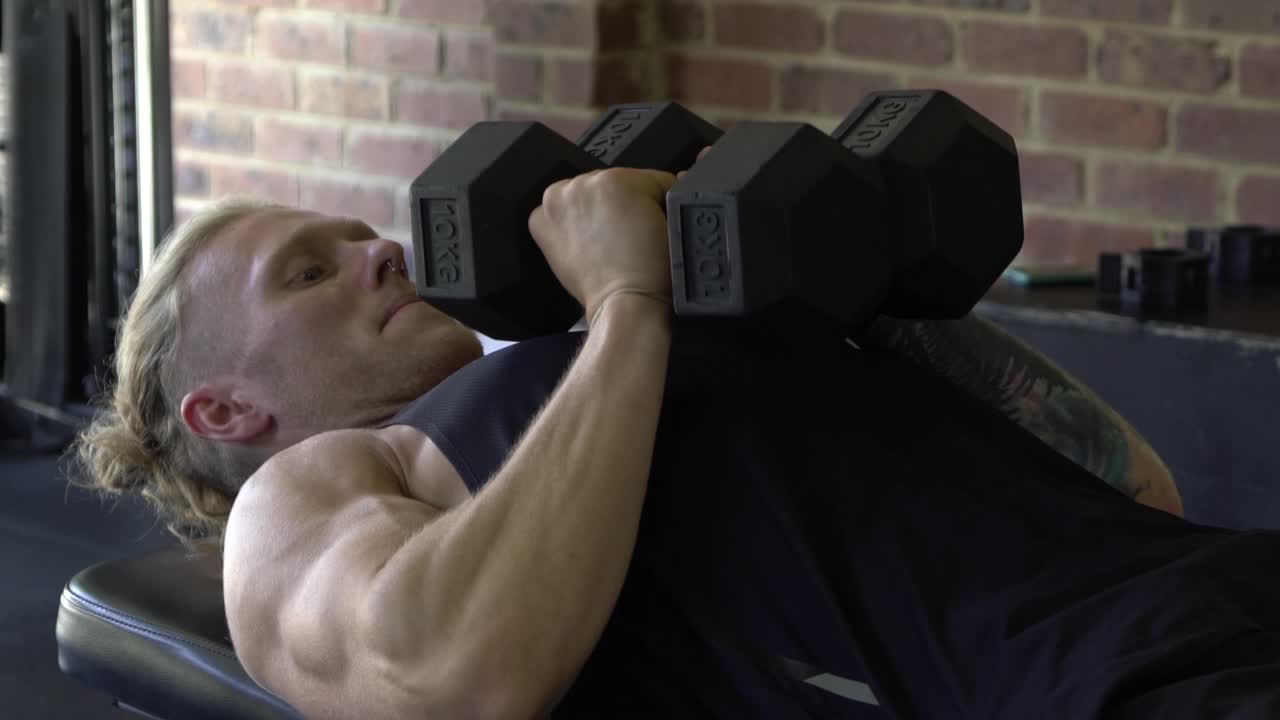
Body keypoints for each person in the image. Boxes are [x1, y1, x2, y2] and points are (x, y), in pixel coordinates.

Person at [70, 163, 1278, 720]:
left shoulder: (591, 364)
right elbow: (439, 674)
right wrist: (627, 305)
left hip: (1219, 585)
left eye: (357, 233)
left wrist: (871, 290)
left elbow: (1132, 486)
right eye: (309, 271)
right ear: (225, 410)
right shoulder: (316, 490)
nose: (377, 250)